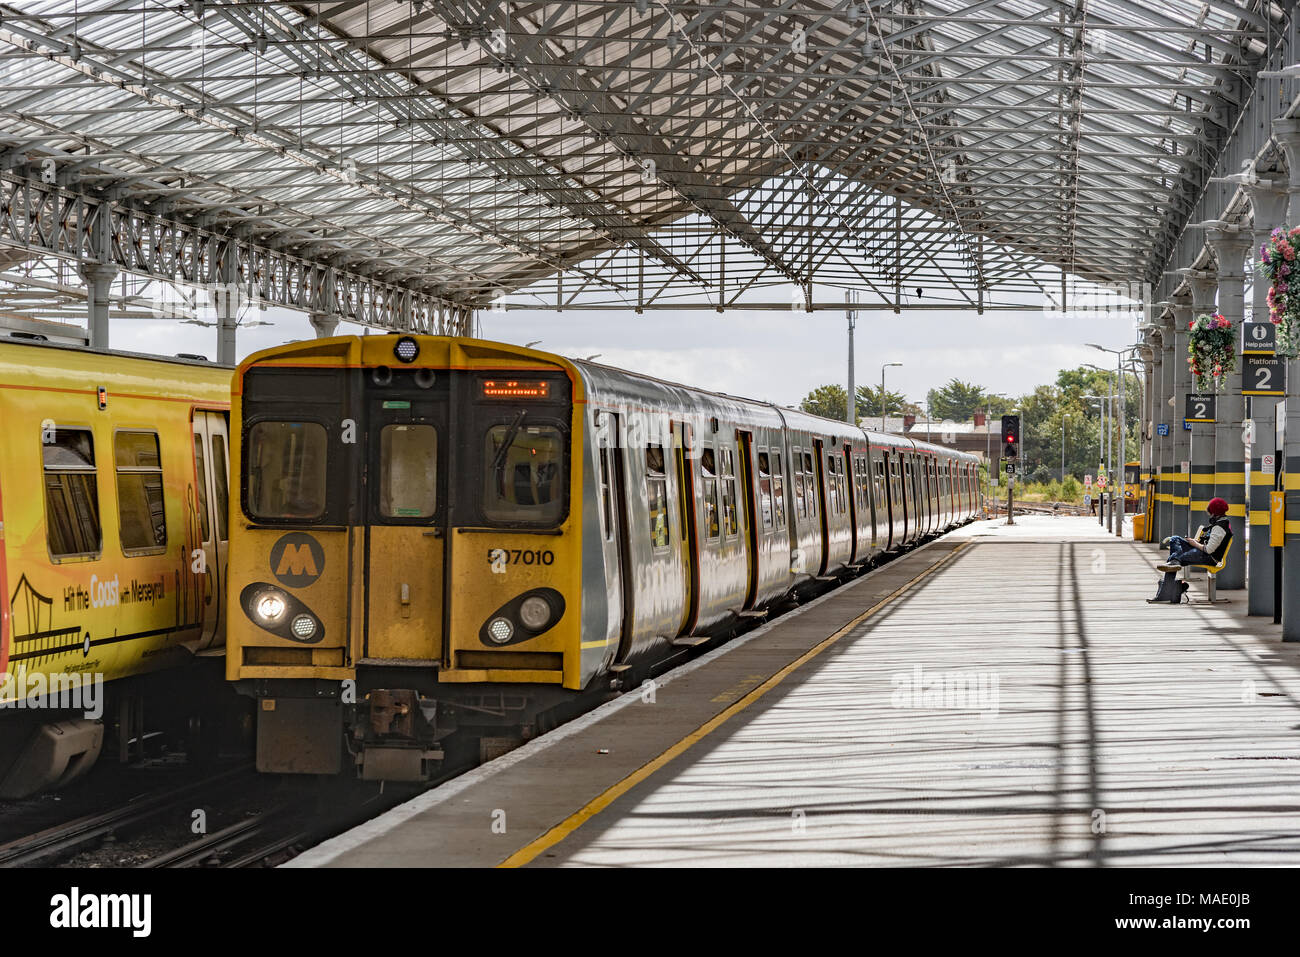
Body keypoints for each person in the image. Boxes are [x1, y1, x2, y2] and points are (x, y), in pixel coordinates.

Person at [1149, 497, 1232, 604]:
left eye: (1210, 512)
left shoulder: (1219, 527)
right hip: (1202, 552)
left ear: (1215, 513)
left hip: (1209, 557)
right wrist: (1193, 542)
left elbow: (1209, 550)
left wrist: (1194, 543)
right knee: (1175, 539)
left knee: (1175, 559)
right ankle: (1174, 563)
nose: (1209, 515)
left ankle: (1165, 592)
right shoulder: (1219, 523)